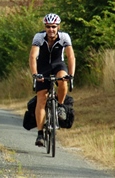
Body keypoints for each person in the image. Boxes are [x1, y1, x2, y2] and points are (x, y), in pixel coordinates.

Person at [29, 13, 75, 147]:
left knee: (62, 80)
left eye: (54, 27)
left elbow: (70, 57)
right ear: (45, 27)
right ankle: (40, 134)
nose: (51, 30)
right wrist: (35, 74)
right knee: (41, 98)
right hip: (42, 67)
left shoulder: (64, 37)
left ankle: (60, 106)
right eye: (48, 27)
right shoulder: (38, 37)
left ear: (58, 27)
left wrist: (70, 74)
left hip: (58, 64)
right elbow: (33, 57)